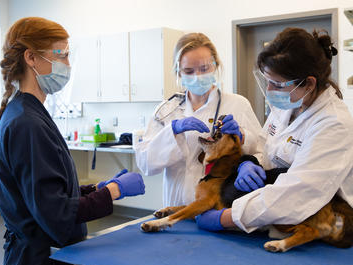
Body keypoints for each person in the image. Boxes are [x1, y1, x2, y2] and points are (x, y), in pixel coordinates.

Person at [0, 17, 145, 265]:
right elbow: (57, 213)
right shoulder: (27, 123)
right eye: (61, 55)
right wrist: (114, 192)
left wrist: (96, 188)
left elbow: (47, 192)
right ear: (31, 58)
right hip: (39, 261)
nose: (67, 64)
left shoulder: (28, 112)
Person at [195, 28, 353, 233]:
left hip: (326, 227)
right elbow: (266, 149)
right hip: (279, 221)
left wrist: (226, 217)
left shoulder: (334, 124)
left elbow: (297, 193)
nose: (269, 91)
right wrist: (250, 163)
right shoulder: (287, 105)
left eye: (277, 84)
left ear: (309, 84)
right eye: (267, 81)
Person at [134, 33, 261, 207]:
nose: (197, 76)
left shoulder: (237, 104)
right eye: (189, 71)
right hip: (175, 204)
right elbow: (146, 164)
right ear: (178, 71)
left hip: (220, 205)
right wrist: (172, 132)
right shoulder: (166, 111)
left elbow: (262, 151)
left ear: (215, 65)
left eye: (204, 68)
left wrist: (243, 136)